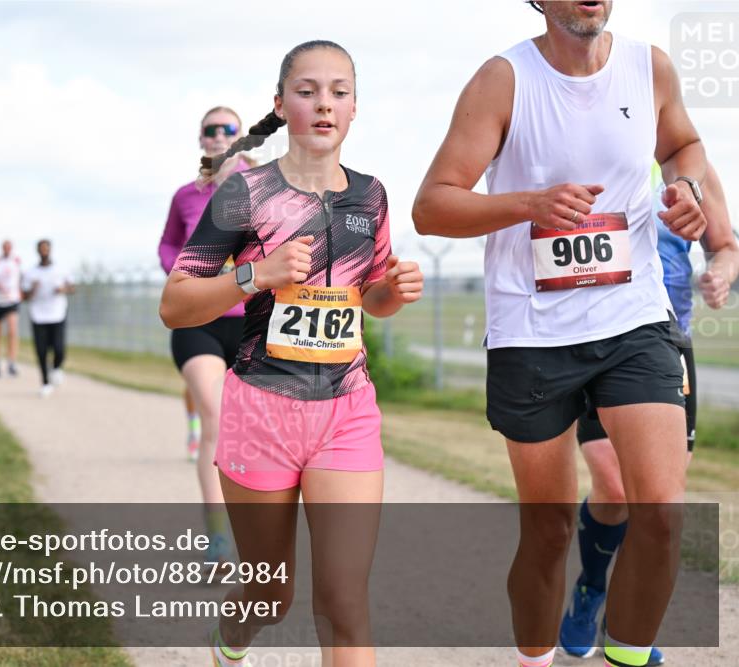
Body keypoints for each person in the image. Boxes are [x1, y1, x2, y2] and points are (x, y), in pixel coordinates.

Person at [413, 2, 709, 666]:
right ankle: (535, 658)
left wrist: (686, 185)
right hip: (532, 331)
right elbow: (432, 205)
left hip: (634, 318)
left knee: (659, 510)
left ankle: (626, 653)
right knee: (546, 530)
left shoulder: (648, 68)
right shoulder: (502, 81)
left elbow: (682, 144)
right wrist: (530, 202)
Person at [161, 40, 423, 667]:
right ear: (281, 104)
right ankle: (232, 639)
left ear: (355, 107)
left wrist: (391, 292)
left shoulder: (372, 196)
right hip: (261, 410)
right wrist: (257, 276)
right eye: (307, 91)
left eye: (339, 91)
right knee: (270, 594)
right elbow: (176, 304)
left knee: (343, 601)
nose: (324, 104)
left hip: (345, 410)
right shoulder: (244, 194)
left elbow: (370, 299)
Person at [560, 162, 738, 664]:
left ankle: (629, 624)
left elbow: (725, 246)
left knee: (657, 502)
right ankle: (591, 588)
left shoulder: (689, 164)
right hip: (591, 341)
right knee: (615, 486)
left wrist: (718, 275)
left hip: (665, 346)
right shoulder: (586, 142)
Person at [158, 105, 252, 563]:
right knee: (216, 416)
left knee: (257, 430)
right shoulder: (185, 195)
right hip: (200, 321)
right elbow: (168, 243)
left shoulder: (267, 185)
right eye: (210, 130)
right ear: (201, 140)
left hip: (254, 321)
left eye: (228, 129)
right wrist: (182, 272)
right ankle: (218, 538)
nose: (219, 136)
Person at [21, 239, 75, 398]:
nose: (44, 251)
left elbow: (72, 287)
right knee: (41, 351)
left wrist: (63, 289)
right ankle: (45, 383)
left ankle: (56, 367)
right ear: (37, 251)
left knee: (59, 349)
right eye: (41, 249)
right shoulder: (31, 273)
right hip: (38, 315)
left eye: (46, 248)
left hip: (57, 313)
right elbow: (24, 296)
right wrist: (33, 289)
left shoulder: (61, 269)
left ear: (50, 250)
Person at [0, 240, 22, 378]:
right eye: (5, 247)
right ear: (2, 248)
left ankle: (11, 361)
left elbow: (21, 280)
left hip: (12, 300)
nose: (7, 249)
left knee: (12, 331)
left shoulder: (17, 262)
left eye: (9, 247)